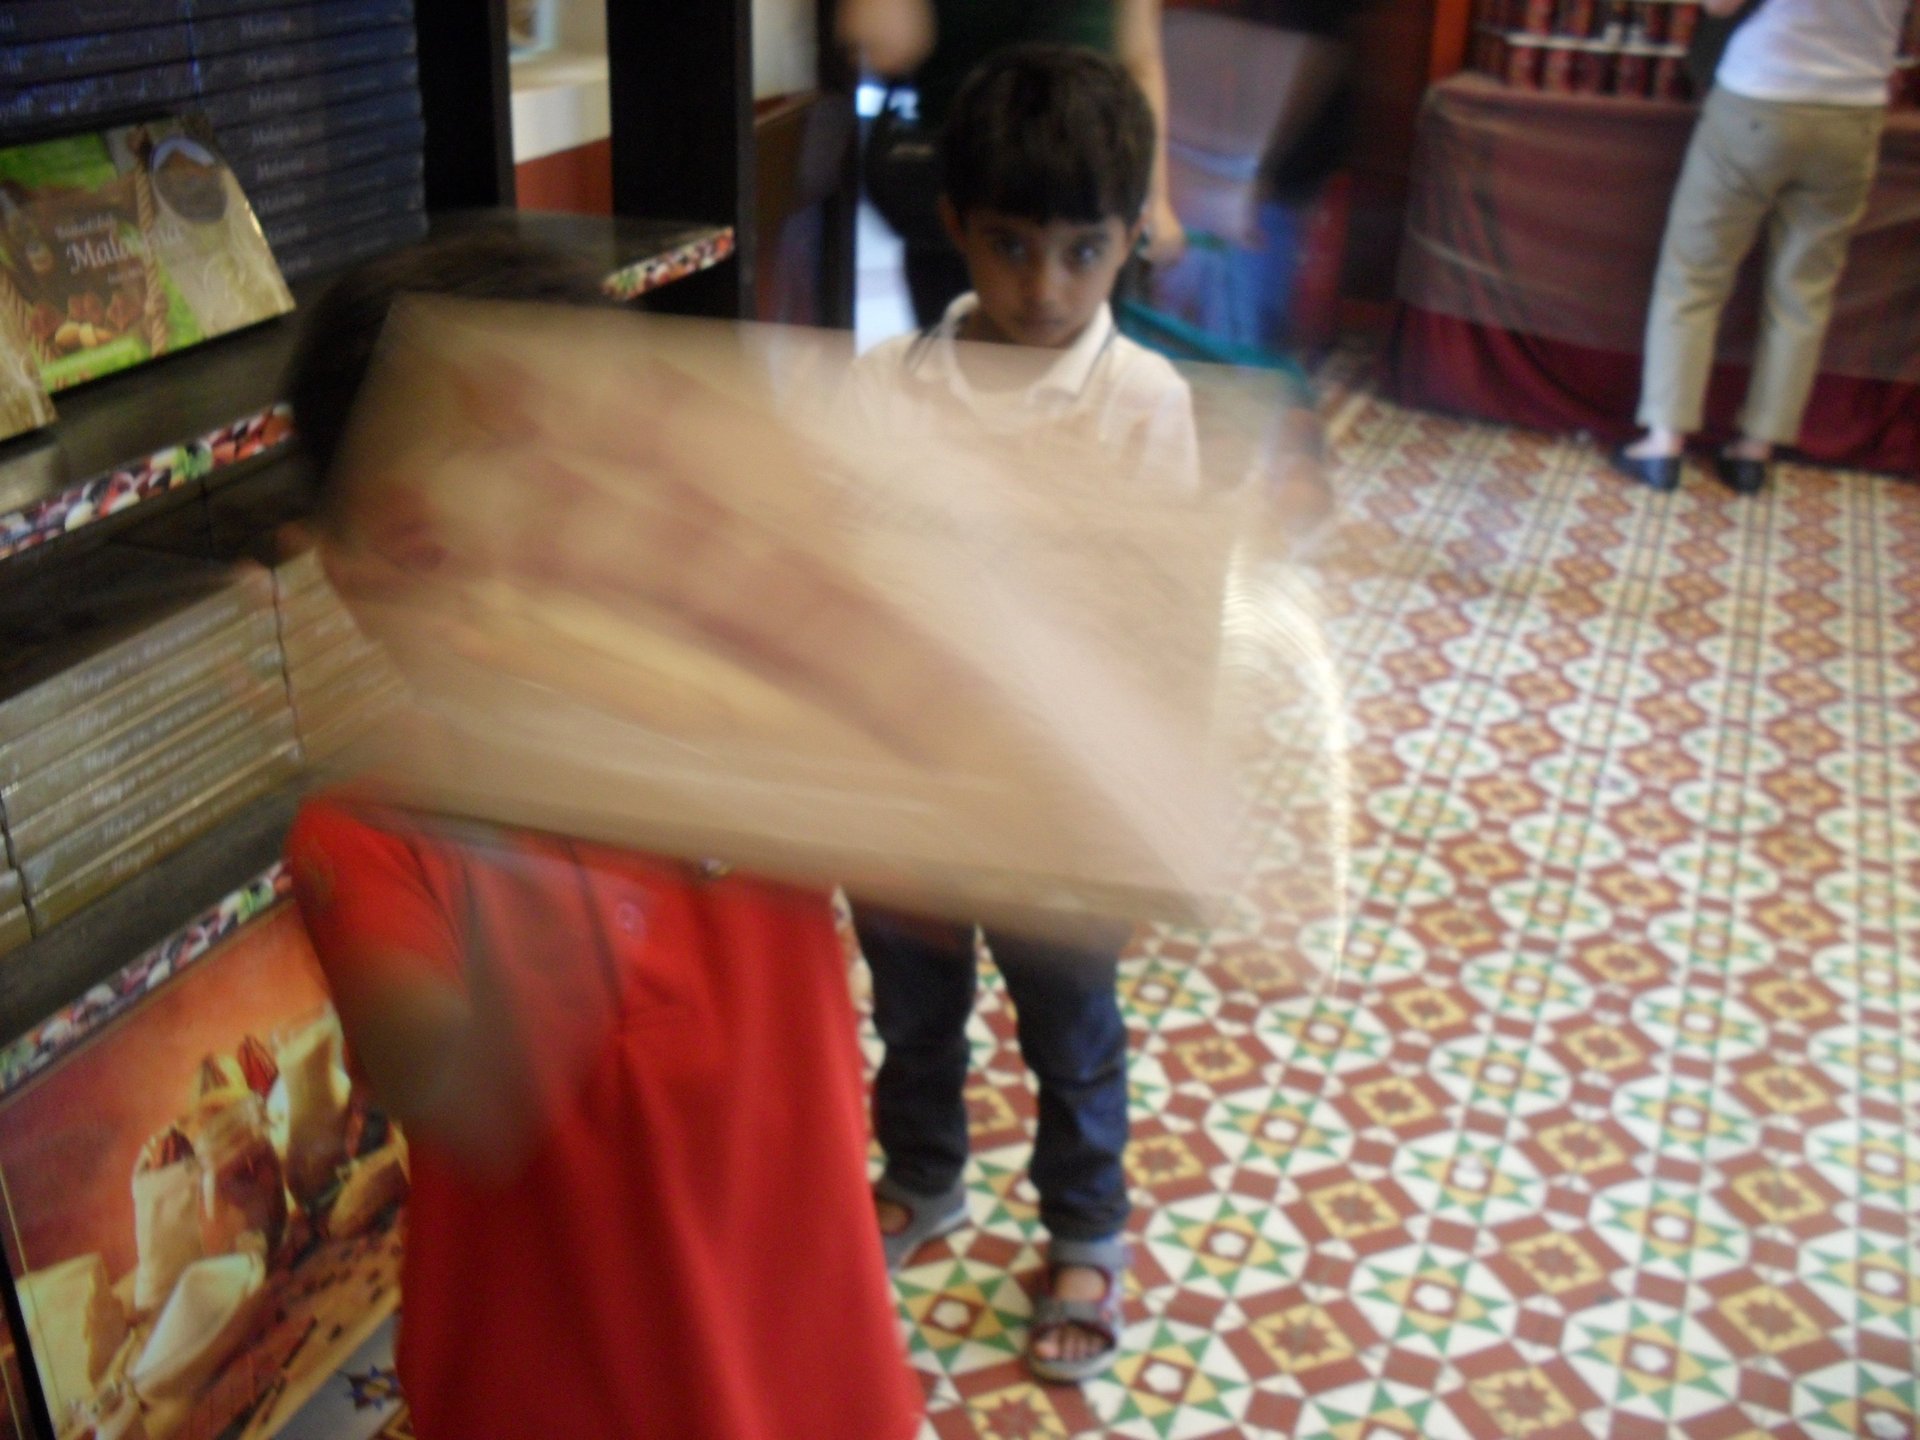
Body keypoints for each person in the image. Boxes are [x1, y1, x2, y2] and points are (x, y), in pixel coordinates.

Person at [279, 233, 923, 1440]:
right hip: (554, 1398)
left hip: (801, 1366)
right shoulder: (371, 829)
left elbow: (947, 856)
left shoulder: (747, 741)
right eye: (441, 552)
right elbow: (448, 1083)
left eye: (568, 519)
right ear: (357, 578)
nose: (520, 586)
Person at [840, 45, 1200, 1386]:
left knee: (1072, 1031)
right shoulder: (889, 388)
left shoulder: (1144, 405)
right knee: (915, 1010)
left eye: (1082, 251)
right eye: (1009, 245)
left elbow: (1159, 623)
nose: (1045, 289)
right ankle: (924, 1176)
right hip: (911, 780)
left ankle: (1087, 1234)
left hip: (1060, 797)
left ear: (1126, 246)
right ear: (953, 228)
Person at [1614, 0, 1905, 494]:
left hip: (1761, 95)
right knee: (1803, 292)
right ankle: (1755, 450)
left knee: (1695, 276)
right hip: (1855, 111)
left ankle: (1665, 442)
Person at [840, 0, 1187, 326]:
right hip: (981, 191)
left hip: (1075, 191)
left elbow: (1140, 59)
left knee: (1081, 370)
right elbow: (884, 43)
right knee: (967, 364)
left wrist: (1156, 198)